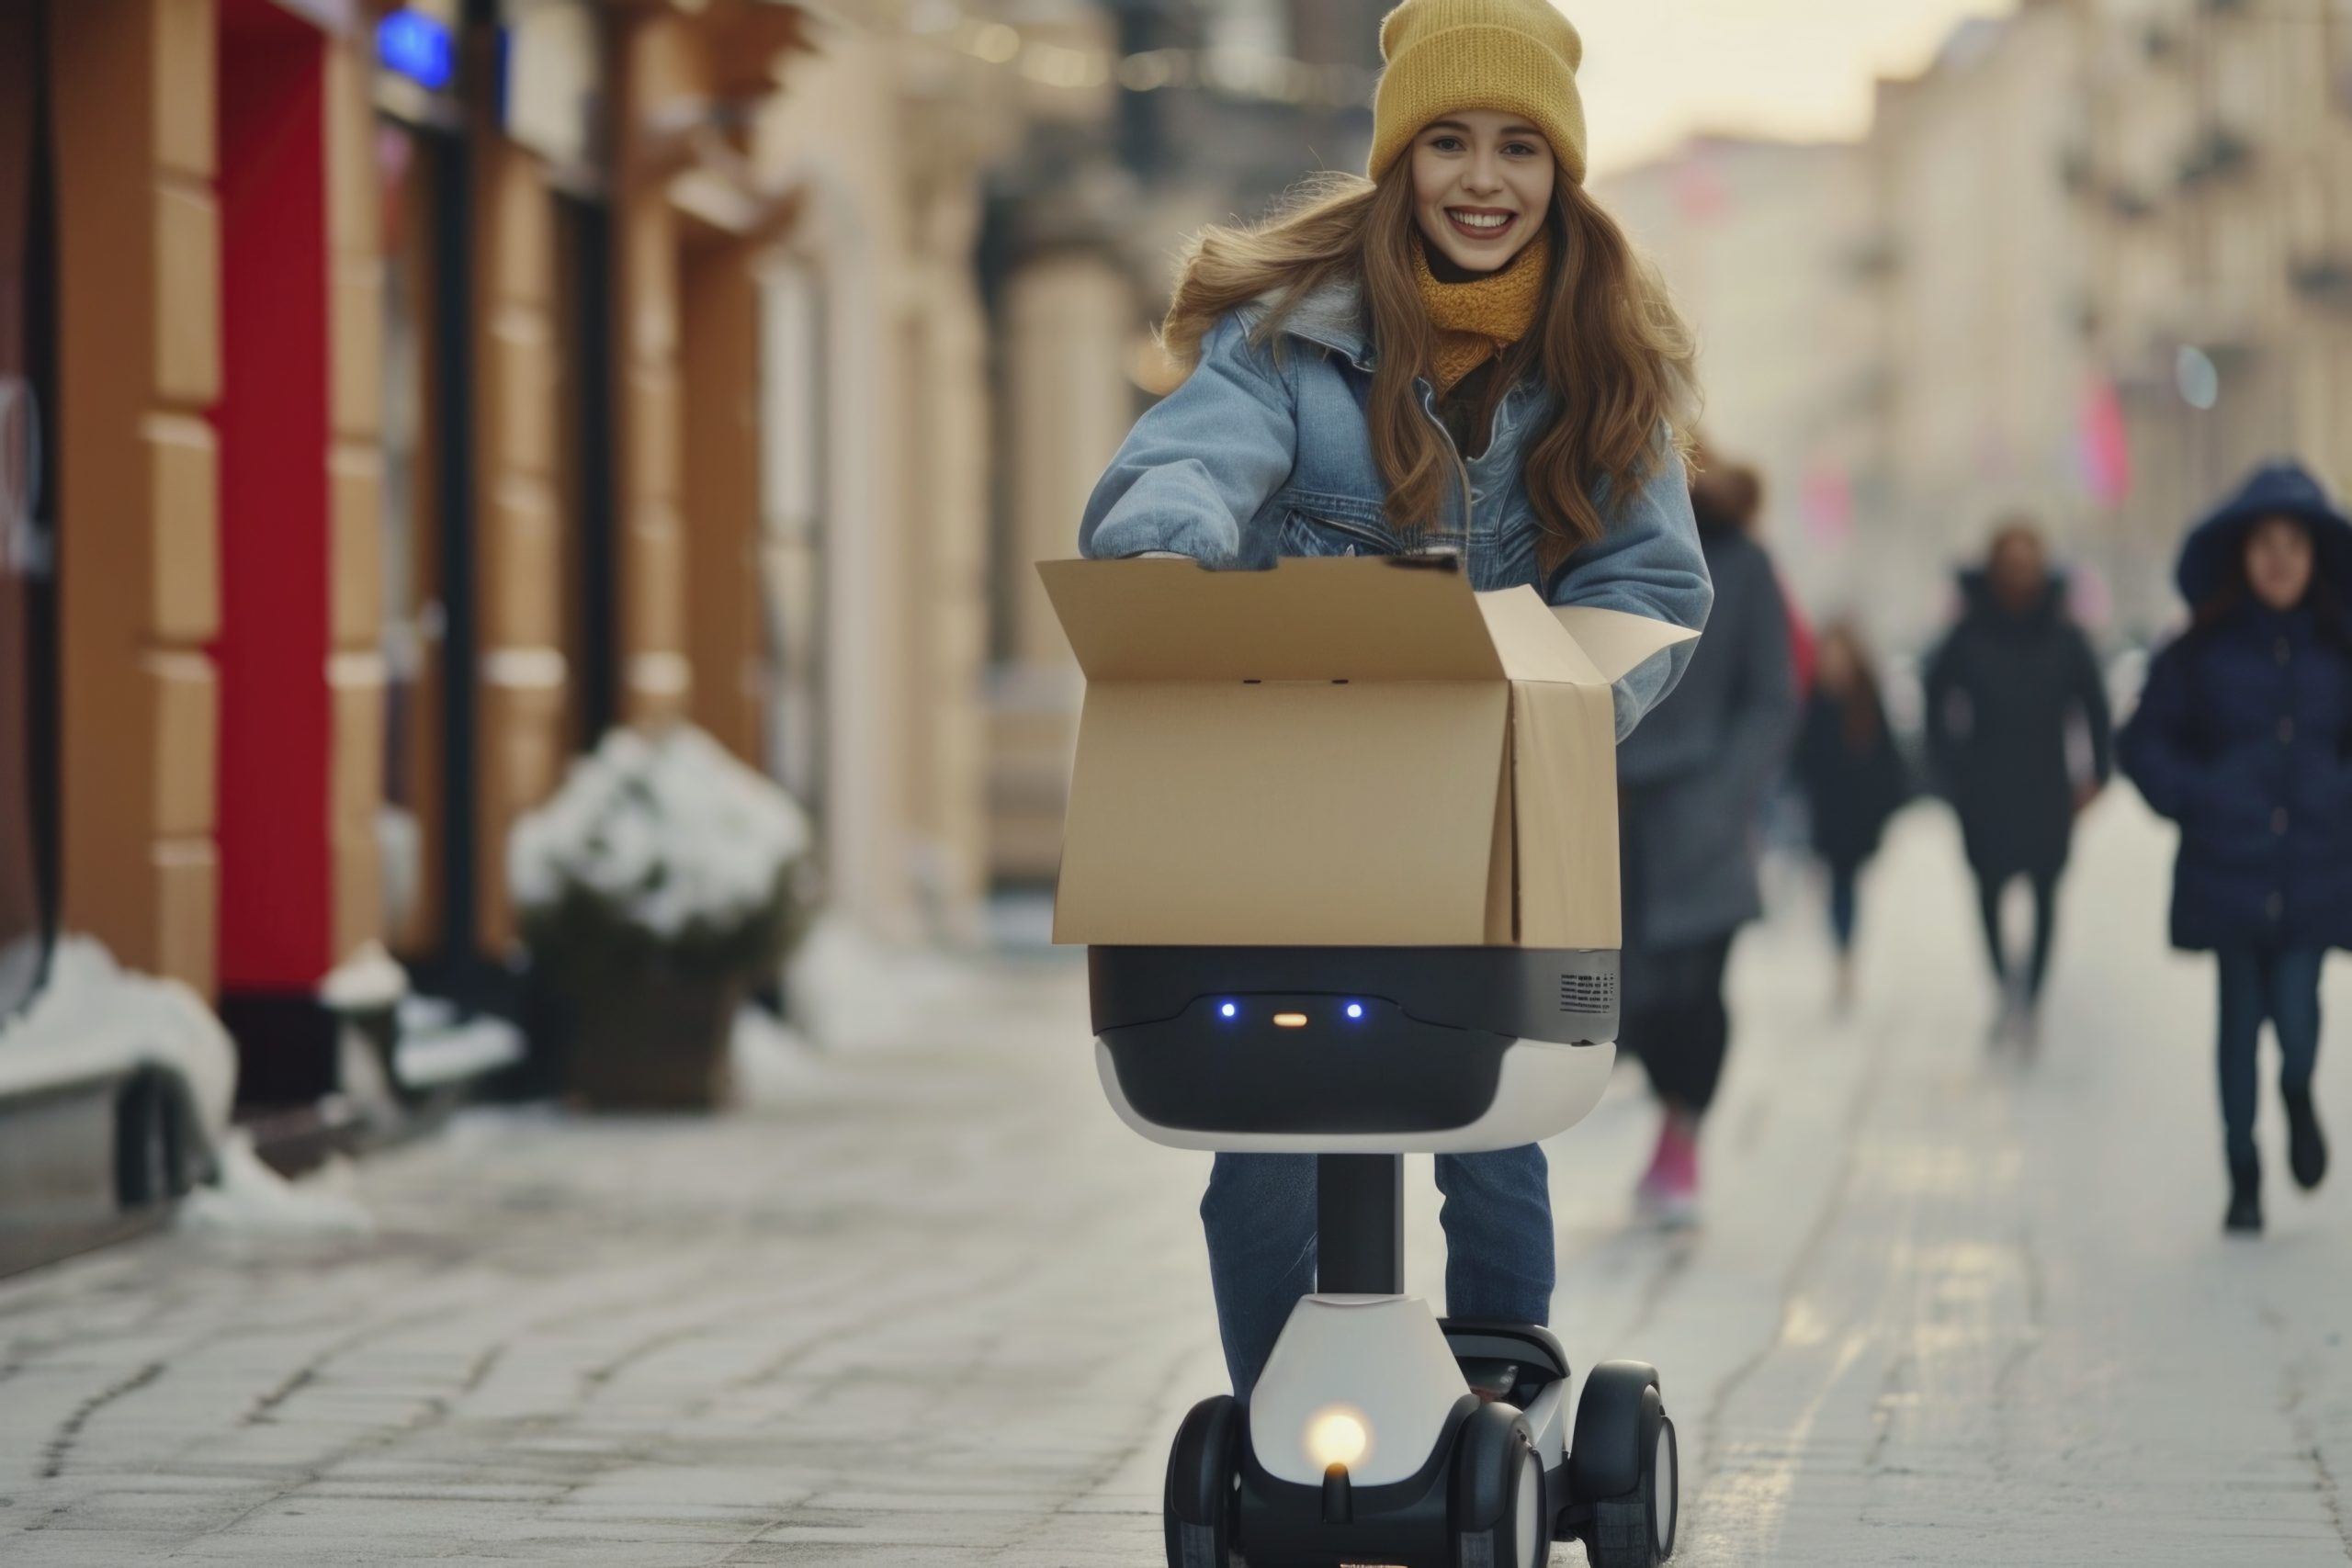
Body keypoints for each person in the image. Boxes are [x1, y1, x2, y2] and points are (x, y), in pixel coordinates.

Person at [1076, 0, 1713, 1396]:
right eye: (1448, 142)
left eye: (1518, 148)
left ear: (1560, 171)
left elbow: (1651, 583)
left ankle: (1499, 1404)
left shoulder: (1603, 364)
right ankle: (1280, 1428)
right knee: (1263, 1155)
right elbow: (1192, 459)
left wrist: (1555, 712)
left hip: (1492, 823)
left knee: (1492, 1132)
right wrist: (1166, 559)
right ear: (1400, 159)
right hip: (1295, 820)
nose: (1484, 180)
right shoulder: (1287, 339)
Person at [2118, 460, 2350, 1235]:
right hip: (2227, 870)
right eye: (2265, 544)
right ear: (2241, 554)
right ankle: (2242, 1170)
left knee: (2298, 1013)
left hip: (2315, 870)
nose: (2280, 560)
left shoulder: (2339, 648)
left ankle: (2298, 1089)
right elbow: (2143, 741)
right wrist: (2197, 795)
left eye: (2295, 544)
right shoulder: (2200, 652)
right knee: (2238, 1023)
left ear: (2316, 556)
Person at [1616, 457, 1799, 1224]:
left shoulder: (1742, 562)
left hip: (1701, 818)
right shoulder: (1593, 533)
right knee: (1629, 998)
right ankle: (1671, 1129)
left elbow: (1772, 694)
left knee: (1696, 993)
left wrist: (1725, 796)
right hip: (1610, 811)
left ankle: (1681, 1137)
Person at [1924, 523, 2112, 1044]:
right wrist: (1947, 768)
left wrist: (2097, 773)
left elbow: (2094, 706)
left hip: (2047, 786)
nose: (2019, 571)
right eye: (2010, 560)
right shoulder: (1968, 635)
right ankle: (2004, 989)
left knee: (2046, 894)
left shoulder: (2065, 635)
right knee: (1987, 892)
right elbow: (1935, 696)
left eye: (2028, 560)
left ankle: (2032, 1000)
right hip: (1983, 787)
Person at [1794, 622, 1911, 1010]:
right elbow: (1801, 760)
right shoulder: (1814, 701)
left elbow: (1888, 761)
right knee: (1839, 888)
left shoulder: (1866, 697)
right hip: (1828, 816)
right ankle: (1843, 957)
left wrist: (1882, 808)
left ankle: (1845, 955)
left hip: (1860, 816)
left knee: (1846, 886)